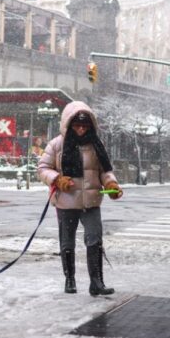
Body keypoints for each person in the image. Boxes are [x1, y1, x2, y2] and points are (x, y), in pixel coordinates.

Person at [37, 101, 123, 296]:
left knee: (95, 239)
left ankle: (96, 282)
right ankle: (70, 280)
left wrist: (111, 184)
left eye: (85, 126)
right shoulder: (57, 144)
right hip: (66, 202)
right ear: (69, 124)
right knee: (67, 242)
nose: (82, 129)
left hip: (92, 201)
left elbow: (105, 171)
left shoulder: (96, 145)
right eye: (77, 125)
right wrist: (57, 179)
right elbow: (42, 168)